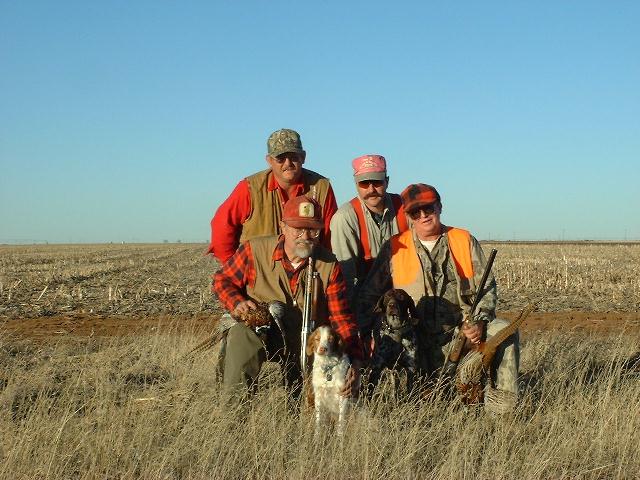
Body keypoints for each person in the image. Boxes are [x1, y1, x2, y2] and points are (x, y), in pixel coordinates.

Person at [357, 183, 519, 413]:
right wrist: (368, 334)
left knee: (504, 333)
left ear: (440, 207)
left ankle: (503, 414)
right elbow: (368, 296)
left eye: (429, 209)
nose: (423, 216)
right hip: (414, 339)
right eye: (415, 212)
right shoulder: (394, 247)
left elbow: (487, 288)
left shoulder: (463, 240)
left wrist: (479, 323)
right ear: (408, 216)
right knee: (429, 400)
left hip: (460, 334)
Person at [213, 194, 363, 400]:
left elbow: (340, 318)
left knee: (311, 405)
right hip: (263, 331)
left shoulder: (328, 265)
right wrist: (237, 302)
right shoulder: (254, 250)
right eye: (298, 228)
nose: (306, 236)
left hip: (306, 339)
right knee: (241, 336)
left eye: (312, 229)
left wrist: (353, 360)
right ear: (283, 227)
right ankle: (234, 418)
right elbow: (223, 280)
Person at [208, 128, 338, 263]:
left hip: (307, 269)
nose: (288, 163)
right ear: (269, 160)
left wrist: (324, 269)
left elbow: (330, 236)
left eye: (294, 157)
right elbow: (222, 226)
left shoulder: (321, 187)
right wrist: (232, 265)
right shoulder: (249, 188)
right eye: (280, 158)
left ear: (303, 157)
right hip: (259, 271)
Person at [329, 154, 408, 309]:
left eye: (377, 182)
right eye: (364, 183)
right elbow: (346, 276)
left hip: (404, 294)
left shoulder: (406, 209)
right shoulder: (345, 218)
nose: (371, 189)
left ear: (387, 181)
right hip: (365, 299)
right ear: (356, 184)